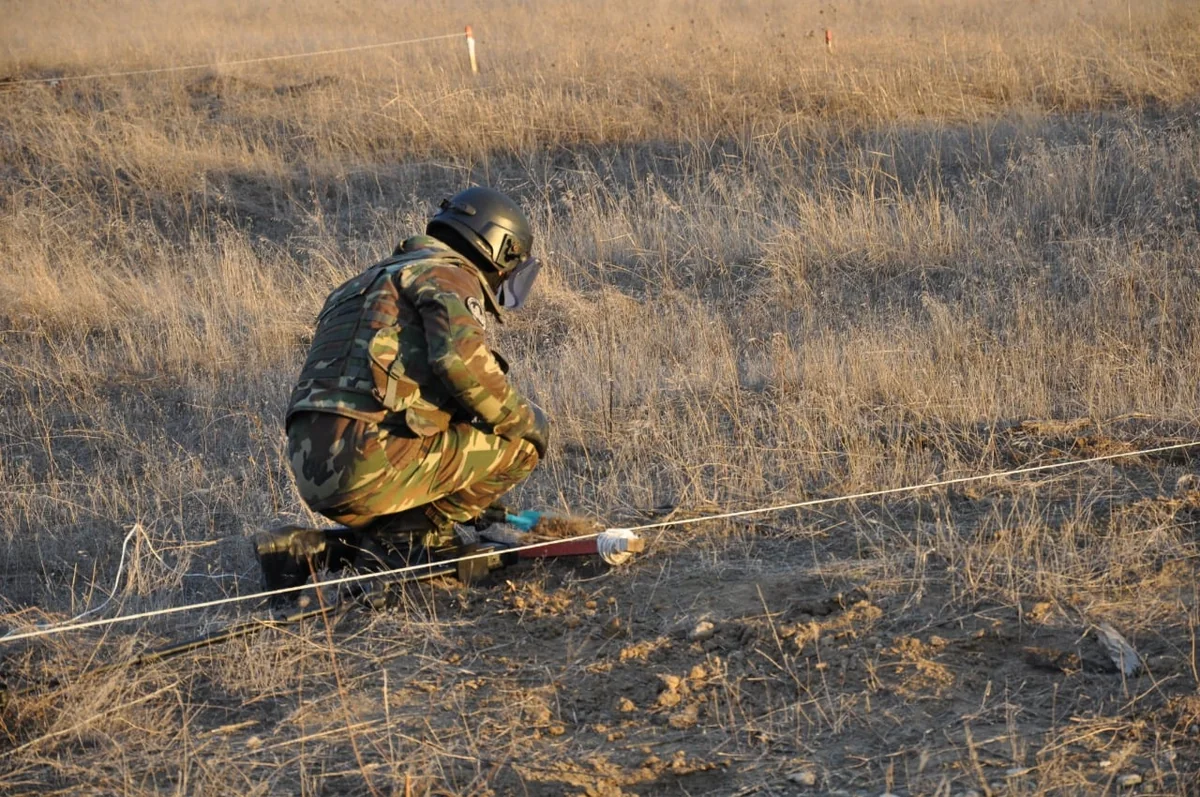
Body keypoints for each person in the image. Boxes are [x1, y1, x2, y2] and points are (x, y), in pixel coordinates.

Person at [256, 186, 549, 591]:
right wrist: (522, 420)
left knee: (418, 474)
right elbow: (459, 362)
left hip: (311, 466)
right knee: (526, 440)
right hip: (370, 460)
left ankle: (314, 549)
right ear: (500, 249)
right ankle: (415, 540)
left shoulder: (360, 285)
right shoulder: (448, 273)